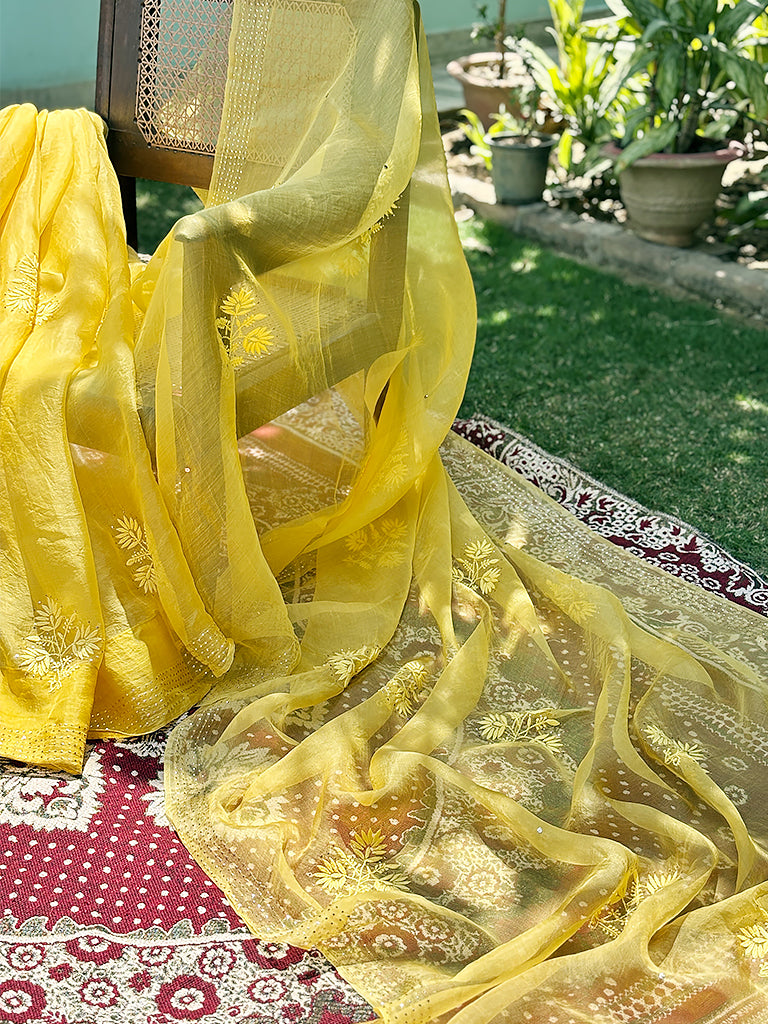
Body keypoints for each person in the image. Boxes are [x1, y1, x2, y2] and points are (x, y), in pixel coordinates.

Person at [1, 2, 767, 1021]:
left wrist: (208, 239)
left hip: (237, 250)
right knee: (51, 376)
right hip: (190, 259)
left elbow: (365, 162)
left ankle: (184, 578)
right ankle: (121, 563)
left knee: (109, 346)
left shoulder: (363, 17)